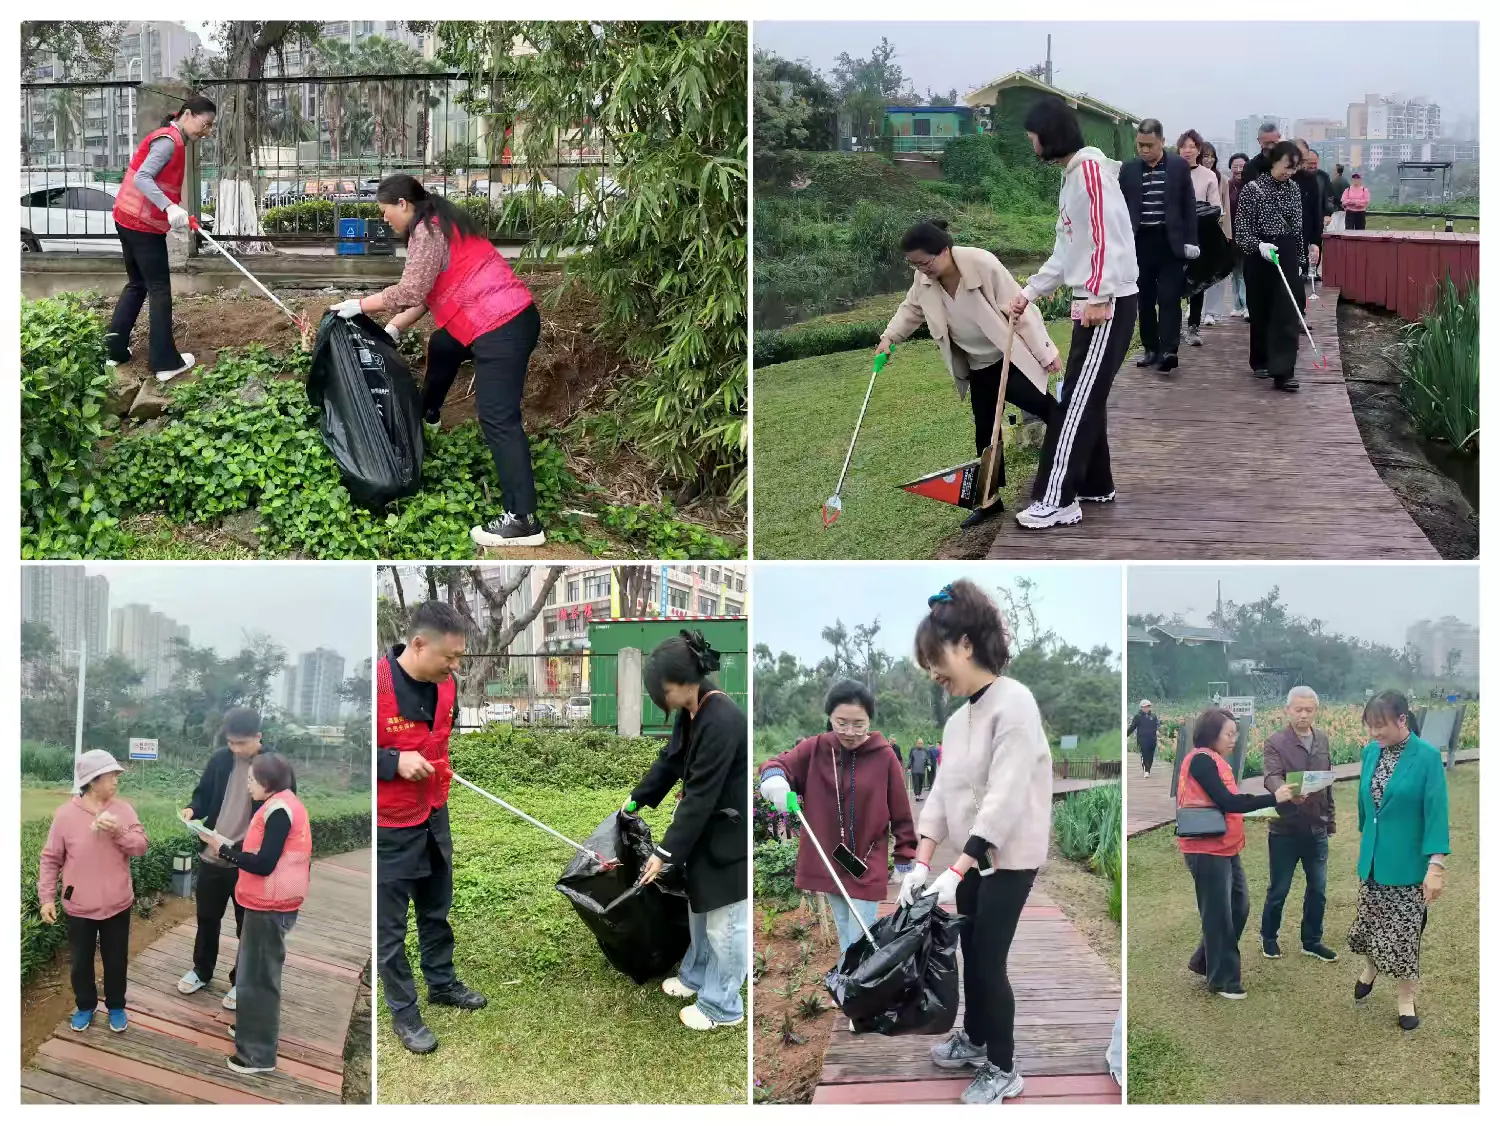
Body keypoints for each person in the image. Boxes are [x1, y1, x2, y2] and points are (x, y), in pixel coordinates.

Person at [896, 580, 1053, 1105]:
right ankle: (977, 1037)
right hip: (971, 862)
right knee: (968, 950)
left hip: (1009, 860)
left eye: (935, 660)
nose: (934, 675)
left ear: (966, 643)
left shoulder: (1015, 703)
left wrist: (958, 868)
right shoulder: (958, 719)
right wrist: (921, 863)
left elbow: (1005, 799)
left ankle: (1004, 1068)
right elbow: (941, 794)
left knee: (989, 962)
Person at [330, 174, 545, 549]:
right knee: (444, 345)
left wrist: (360, 305)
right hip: (493, 319)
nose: (383, 220)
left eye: (384, 212)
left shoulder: (427, 233)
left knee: (498, 418)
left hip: (501, 325)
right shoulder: (438, 223)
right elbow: (428, 294)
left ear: (402, 205)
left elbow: (412, 290)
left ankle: (522, 519)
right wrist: (393, 329)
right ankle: (427, 416)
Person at [876, 220, 1062, 527]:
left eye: (925, 262)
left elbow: (1020, 307)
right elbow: (910, 309)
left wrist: (1045, 352)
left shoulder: (981, 263)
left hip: (1008, 358)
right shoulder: (923, 280)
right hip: (978, 366)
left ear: (945, 251)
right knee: (985, 432)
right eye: (914, 264)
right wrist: (888, 338)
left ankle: (1061, 474)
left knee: (1049, 411)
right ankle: (990, 501)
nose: (921, 270)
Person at [1009, 97, 1139, 531]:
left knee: (1075, 399)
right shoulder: (1072, 177)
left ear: (1050, 135)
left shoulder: (1088, 170)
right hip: (1093, 299)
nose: (1031, 145)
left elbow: (1104, 238)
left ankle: (1057, 498)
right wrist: (1028, 292)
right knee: (1087, 395)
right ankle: (1095, 484)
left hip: (1107, 301)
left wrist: (1100, 295)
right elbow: (1068, 251)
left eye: (1032, 137)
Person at [377, 602, 487, 1055]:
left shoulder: (447, 688)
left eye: (460, 657)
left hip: (433, 816)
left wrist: (440, 766)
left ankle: (442, 982)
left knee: (436, 909)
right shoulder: (376, 687)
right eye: (450, 657)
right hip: (390, 826)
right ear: (419, 644)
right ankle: (404, 1011)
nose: (456, 666)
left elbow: (439, 741)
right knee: (389, 931)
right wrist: (391, 760)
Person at [630, 631, 749, 1031]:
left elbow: (700, 795)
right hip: (702, 833)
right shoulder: (693, 709)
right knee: (698, 909)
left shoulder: (723, 720)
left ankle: (723, 1006)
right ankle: (696, 977)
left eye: (661, 690)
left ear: (682, 684)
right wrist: (636, 799)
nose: (660, 699)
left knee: (726, 923)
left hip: (726, 837)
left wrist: (663, 853)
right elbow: (671, 759)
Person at [758, 680, 917, 952]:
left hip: (868, 862)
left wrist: (905, 855)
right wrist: (774, 779)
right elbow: (777, 764)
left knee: (860, 937)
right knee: (846, 932)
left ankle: (855, 990)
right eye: (841, 723)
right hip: (829, 858)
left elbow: (901, 811)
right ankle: (850, 990)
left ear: (870, 720)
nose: (850, 732)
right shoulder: (815, 749)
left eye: (859, 724)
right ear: (829, 717)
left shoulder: (885, 757)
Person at [195, 752, 311, 1075]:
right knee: (249, 974)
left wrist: (224, 851)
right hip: (262, 904)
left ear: (266, 783)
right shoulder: (278, 804)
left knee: (260, 980)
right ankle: (248, 1028)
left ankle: (258, 1055)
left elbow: (263, 863)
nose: (246, 784)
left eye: (251, 779)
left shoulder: (279, 812)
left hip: (270, 907)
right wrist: (224, 842)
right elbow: (255, 847)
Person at [1348, 691, 1450, 1031]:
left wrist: (1435, 865)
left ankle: (1405, 997)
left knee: (1406, 933)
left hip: (1408, 864)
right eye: (1370, 726)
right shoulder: (1369, 752)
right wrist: (1367, 838)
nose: (1375, 732)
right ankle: (1371, 967)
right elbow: (1366, 804)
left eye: (1381, 725)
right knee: (1371, 924)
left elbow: (1436, 813)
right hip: (1375, 859)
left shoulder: (1426, 757)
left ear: (1402, 720)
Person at [1176, 708, 1294, 999]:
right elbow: (1228, 801)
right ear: (1211, 734)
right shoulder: (1201, 760)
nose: (1234, 739)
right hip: (1205, 849)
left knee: (1237, 907)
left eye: (1234, 733)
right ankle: (1224, 979)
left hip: (1224, 847)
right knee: (1219, 915)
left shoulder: (1216, 761)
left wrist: (1271, 807)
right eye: (1228, 734)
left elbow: (1232, 802)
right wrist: (1273, 799)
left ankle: (1204, 961)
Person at [37, 750, 149, 1034]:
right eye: (111, 775)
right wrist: (47, 898)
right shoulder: (66, 815)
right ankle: (85, 1005)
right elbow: (51, 858)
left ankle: (116, 1006)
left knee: (116, 959)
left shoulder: (123, 810)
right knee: (80, 961)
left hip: (117, 903)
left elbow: (140, 846)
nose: (116, 780)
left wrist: (119, 832)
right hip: (79, 906)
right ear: (93, 780)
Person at [106, 95, 216, 381]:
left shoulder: (170, 138)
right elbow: (144, 177)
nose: (207, 132)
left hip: (125, 217)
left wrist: (175, 209)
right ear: (188, 114)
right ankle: (165, 363)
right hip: (142, 225)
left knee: (137, 284)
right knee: (159, 289)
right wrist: (168, 207)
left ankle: (114, 349)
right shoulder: (169, 141)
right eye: (205, 124)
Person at [177, 707, 274, 1009]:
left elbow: (282, 811)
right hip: (212, 857)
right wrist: (192, 810)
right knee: (207, 919)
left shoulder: (273, 766)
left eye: (241, 743)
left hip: (247, 863)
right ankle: (202, 970)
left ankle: (240, 982)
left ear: (258, 737)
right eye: (231, 742)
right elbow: (203, 795)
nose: (235, 748)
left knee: (247, 927)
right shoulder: (221, 760)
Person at [1259, 687, 1338, 961]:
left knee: (1318, 887)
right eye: (1298, 709)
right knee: (1279, 888)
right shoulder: (1276, 742)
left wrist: (1330, 820)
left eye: (1309, 710)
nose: (1304, 715)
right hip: (1285, 829)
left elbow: (1327, 783)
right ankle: (1269, 937)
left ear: (1316, 711)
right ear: (1288, 710)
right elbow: (1271, 776)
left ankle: (1312, 940)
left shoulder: (1322, 740)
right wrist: (1286, 791)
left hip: (1316, 827)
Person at [1118, 118, 1198, 373]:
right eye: (1140, 145)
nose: (1144, 150)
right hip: (1140, 242)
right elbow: (1119, 209)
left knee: (1169, 298)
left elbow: (1188, 206)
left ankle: (1169, 350)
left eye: (1149, 145)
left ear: (1162, 142)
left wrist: (1191, 241)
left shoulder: (1177, 166)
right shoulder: (1129, 170)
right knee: (1145, 299)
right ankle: (1150, 348)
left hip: (1169, 241)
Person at [1233, 140, 1306, 392]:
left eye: (1294, 168)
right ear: (1274, 161)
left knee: (1286, 312)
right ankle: (1260, 359)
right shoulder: (1252, 189)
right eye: (1287, 166)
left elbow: (1297, 228)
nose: (1289, 172)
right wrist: (1258, 246)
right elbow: (1241, 230)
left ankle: (1284, 371)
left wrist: (1299, 261)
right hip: (1260, 253)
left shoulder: (1294, 189)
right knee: (1261, 310)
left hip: (1284, 253)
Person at [1177, 131, 1234, 347]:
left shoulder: (1208, 175)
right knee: (1173, 279)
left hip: (1201, 232)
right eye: (1184, 146)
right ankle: (1172, 328)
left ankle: (1193, 327)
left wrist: (1198, 211)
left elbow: (1216, 207)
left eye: (1193, 146)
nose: (1188, 150)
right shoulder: (1171, 172)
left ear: (1199, 150)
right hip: (1174, 232)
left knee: (1197, 280)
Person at [1293, 142, 1334, 284]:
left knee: (1317, 244)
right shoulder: (1296, 176)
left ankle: (1314, 270)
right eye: (1309, 163)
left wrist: (1328, 213)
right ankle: (1303, 270)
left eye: (1314, 163)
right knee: (1302, 244)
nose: (1312, 166)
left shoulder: (1323, 176)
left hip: (1317, 215)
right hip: (1301, 217)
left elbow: (1329, 196)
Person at [1225, 153, 1251, 318]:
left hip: (1249, 235)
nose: (1239, 169)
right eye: (1235, 166)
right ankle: (1237, 305)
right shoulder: (1227, 186)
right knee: (1235, 272)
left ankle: (1248, 305)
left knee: (1247, 272)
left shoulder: (1252, 186)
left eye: (1242, 166)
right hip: (1232, 235)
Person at [1127, 699, 1160, 776]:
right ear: (1141, 707)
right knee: (1145, 754)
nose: (1146, 708)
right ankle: (1146, 771)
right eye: (1144, 707)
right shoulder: (1137, 717)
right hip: (1142, 739)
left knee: (1151, 756)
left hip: (1152, 739)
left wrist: (1158, 733)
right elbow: (1132, 727)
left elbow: (1157, 727)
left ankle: (1148, 769)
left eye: (1148, 706)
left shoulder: (1153, 716)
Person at [1328, 163, 1351, 233]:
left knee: (1333, 229)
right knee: (1342, 227)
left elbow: (1331, 196)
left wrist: (1329, 208)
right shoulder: (1346, 181)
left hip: (1336, 208)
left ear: (1336, 171)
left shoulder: (1334, 182)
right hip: (1344, 207)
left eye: (1334, 169)